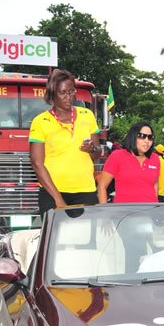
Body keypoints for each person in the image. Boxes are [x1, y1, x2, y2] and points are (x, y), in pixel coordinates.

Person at [29, 69, 101, 216]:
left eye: (71, 92)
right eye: (62, 93)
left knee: (85, 237)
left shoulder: (87, 115)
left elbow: (98, 154)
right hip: (53, 192)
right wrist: (58, 199)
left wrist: (92, 149)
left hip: (86, 191)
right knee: (57, 239)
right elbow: (37, 163)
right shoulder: (40, 121)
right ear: (52, 96)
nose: (68, 97)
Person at [98, 122, 159, 204]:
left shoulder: (155, 159)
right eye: (142, 136)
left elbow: (155, 186)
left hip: (149, 212)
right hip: (124, 213)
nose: (147, 141)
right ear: (133, 136)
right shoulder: (117, 156)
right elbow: (102, 186)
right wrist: (105, 213)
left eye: (150, 137)